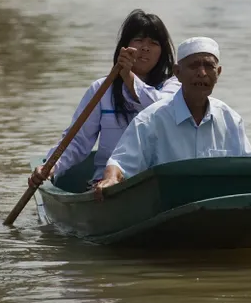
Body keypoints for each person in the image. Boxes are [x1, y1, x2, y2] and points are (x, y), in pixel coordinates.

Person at [28, 10, 180, 189]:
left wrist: (129, 77)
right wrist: (51, 166)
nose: (145, 48)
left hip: (157, 182)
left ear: (162, 52)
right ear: (125, 47)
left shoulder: (174, 86)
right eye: (139, 40)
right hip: (107, 184)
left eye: (154, 43)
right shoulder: (102, 90)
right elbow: (77, 141)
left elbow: (162, 108)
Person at [94, 36, 251, 194]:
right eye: (194, 66)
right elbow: (120, 164)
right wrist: (110, 179)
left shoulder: (230, 119)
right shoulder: (151, 119)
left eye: (209, 66)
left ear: (219, 72)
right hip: (166, 207)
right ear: (177, 72)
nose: (202, 73)